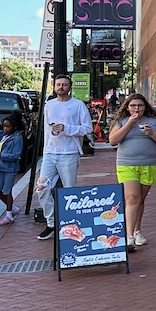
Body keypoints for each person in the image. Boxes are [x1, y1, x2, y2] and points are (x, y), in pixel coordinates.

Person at [35, 74, 94, 241]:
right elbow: (46, 130)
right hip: (50, 153)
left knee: (69, 191)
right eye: (58, 84)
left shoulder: (78, 105)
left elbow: (87, 128)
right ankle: (51, 223)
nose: (61, 87)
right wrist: (46, 149)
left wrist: (67, 128)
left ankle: (69, 224)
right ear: (54, 87)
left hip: (69, 154)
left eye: (64, 85)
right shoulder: (49, 105)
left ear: (70, 87)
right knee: (42, 188)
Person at [108, 94, 156, 249]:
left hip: (148, 165)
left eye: (139, 106)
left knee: (140, 199)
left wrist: (151, 134)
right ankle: (128, 236)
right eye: (133, 106)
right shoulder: (121, 121)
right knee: (132, 198)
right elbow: (113, 140)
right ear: (127, 107)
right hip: (127, 165)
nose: (136, 109)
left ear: (145, 107)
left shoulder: (154, 122)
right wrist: (129, 124)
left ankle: (137, 230)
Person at [0, 114, 24, 225]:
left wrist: (0, 155)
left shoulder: (17, 138)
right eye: (4, 126)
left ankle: (9, 214)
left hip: (10, 168)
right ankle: (13, 208)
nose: (5, 128)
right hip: (1, 167)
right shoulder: (2, 135)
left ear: (14, 127)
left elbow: (16, 155)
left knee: (7, 192)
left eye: (8, 126)